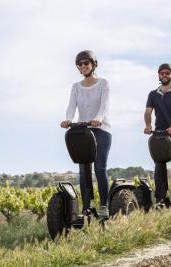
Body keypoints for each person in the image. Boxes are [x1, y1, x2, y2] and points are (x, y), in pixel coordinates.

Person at [60, 50, 111, 218]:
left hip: (101, 130)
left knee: (99, 168)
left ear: (93, 64)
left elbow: (104, 105)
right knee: (83, 169)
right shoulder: (76, 87)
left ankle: (104, 206)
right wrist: (68, 120)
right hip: (84, 131)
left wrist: (98, 118)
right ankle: (86, 208)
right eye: (80, 64)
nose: (83, 66)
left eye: (86, 63)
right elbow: (71, 106)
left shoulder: (103, 83)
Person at [144, 63, 171, 205]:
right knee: (159, 166)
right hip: (159, 134)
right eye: (162, 73)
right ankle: (161, 199)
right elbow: (148, 111)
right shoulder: (153, 94)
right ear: (159, 75)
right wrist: (148, 125)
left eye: (167, 73)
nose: (164, 75)